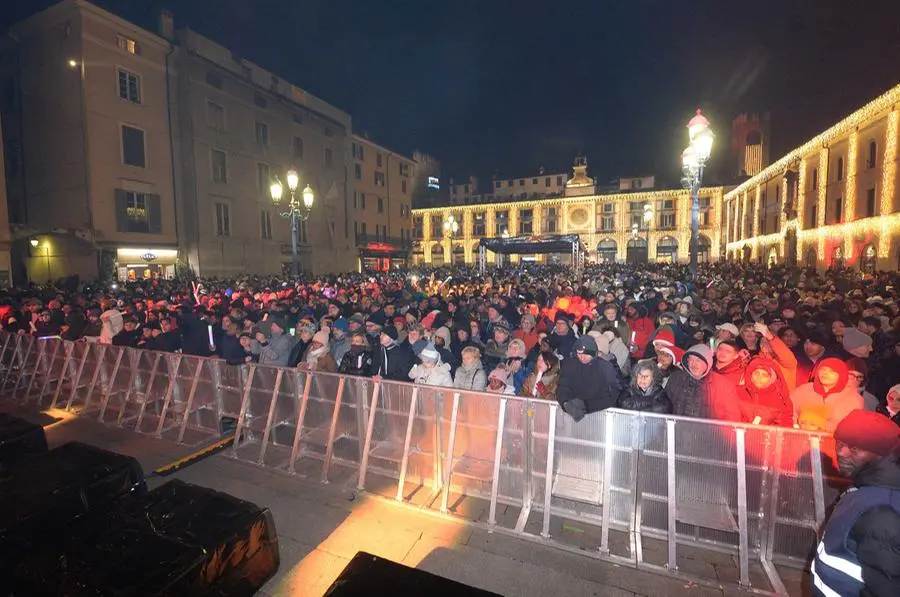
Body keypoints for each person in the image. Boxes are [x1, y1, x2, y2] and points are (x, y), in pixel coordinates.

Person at [811, 410, 900, 597]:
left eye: (855, 449)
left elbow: (886, 588)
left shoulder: (882, 511)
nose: (841, 453)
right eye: (840, 444)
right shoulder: (865, 489)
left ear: (881, 455)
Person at [665, 344, 742, 422]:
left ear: (708, 361)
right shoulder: (676, 378)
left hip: (709, 433)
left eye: (698, 360)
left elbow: (732, 418)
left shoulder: (724, 385)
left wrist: (717, 432)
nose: (694, 364)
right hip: (676, 430)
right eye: (691, 359)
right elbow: (664, 406)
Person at [556, 335, 622, 422]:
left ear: (594, 352)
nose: (582, 357)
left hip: (599, 417)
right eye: (579, 353)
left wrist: (586, 406)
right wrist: (565, 402)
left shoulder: (605, 367)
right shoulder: (570, 365)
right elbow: (563, 386)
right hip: (572, 415)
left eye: (586, 354)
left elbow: (612, 394)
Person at [791, 358, 863, 433]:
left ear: (841, 374)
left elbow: (851, 428)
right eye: (823, 369)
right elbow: (789, 412)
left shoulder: (853, 398)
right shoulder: (803, 390)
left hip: (833, 441)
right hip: (800, 436)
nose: (825, 374)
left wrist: (823, 425)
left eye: (832, 371)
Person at [738, 355, 793, 426]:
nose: (759, 377)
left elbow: (785, 424)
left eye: (764, 375)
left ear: (771, 379)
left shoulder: (780, 400)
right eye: (756, 373)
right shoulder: (738, 392)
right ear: (750, 374)